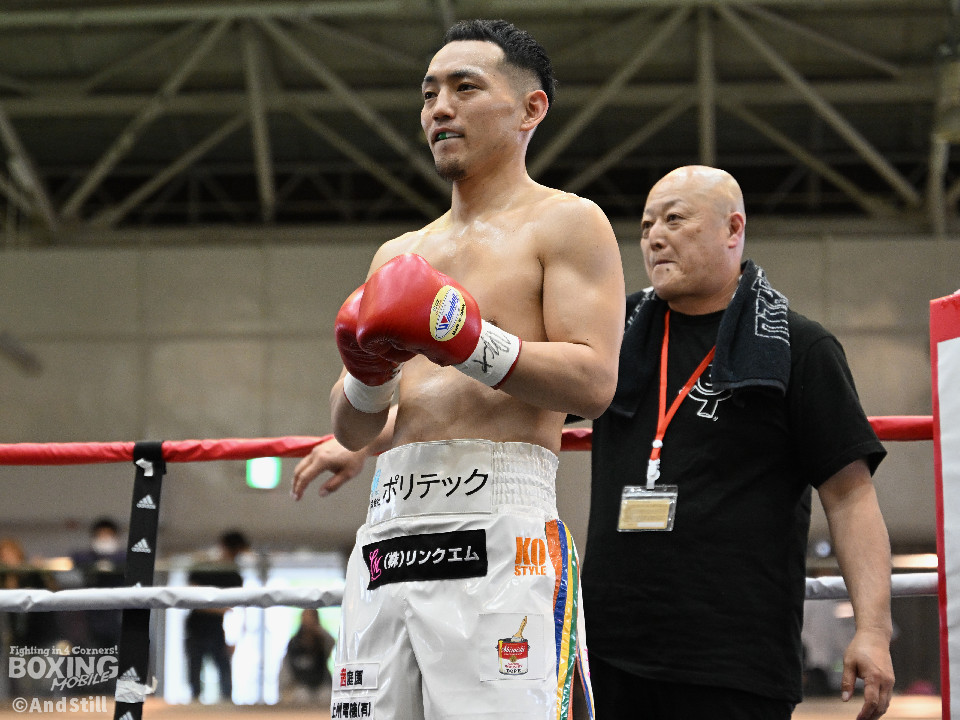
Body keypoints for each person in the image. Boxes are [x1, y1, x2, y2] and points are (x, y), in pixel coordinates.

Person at [292, 18, 624, 720]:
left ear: (530, 109)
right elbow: (353, 430)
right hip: (389, 530)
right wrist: (366, 374)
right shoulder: (399, 255)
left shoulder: (567, 223)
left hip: (499, 527)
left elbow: (594, 381)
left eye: (464, 88)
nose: (439, 108)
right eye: (428, 93)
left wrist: (469, 341)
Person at [582, 165, 894, 720]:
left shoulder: (798, 346)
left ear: (733, 229)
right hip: (609, 653)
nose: (654, 237)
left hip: (735, 662)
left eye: (675, 219)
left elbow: (851, 498)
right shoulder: (611, 336)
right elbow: (526, 396)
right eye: (647, 225)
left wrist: (872, 629)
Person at [183, 530, 249, 704]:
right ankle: (194, 705)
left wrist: (235, 637)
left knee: (224, 674)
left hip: (218, 630)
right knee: (195, 673)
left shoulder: (234, 574)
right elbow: (192, 596)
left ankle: (227, 706)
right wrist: (220, 609)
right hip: (196, 628)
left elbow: (237, 607)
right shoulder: (203, 566)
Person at [69, 517, 126, 649]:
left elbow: (125, 559)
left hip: (116, 614)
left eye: (108, 535)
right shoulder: (86, 557)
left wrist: (108, 562)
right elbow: (76, 558)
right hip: (92, 615)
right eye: (101, 535)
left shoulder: (123, 558)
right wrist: (99, 562)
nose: (104, 539)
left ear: (116, 537)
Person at [279, 608, 336, 706]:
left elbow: (331, 642)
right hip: (299, 687)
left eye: (312, 618)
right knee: (302, 695)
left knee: (327, 695)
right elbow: (286, 670)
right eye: (306, 618)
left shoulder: (322, 641)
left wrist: (316, 628)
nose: (308, 621)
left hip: (320, 685)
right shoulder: (294, 643)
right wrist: (285, 689)